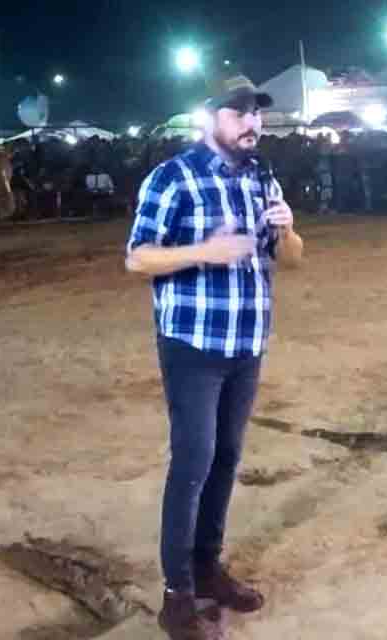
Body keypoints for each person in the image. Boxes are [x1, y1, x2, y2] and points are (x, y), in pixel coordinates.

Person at [125, 74, 304, 640]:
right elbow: (137, 259)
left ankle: (207, 568)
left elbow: (291, 259)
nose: (253, 123)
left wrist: (290, 229)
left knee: (226, 457)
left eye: (257, 113)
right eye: (239, 113)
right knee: (194, 461)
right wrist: (206, 250)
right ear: (210, 119)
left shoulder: (260, 179)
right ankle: (177, 595)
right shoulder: (172, 178)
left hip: (247, 343)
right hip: (193, 344)